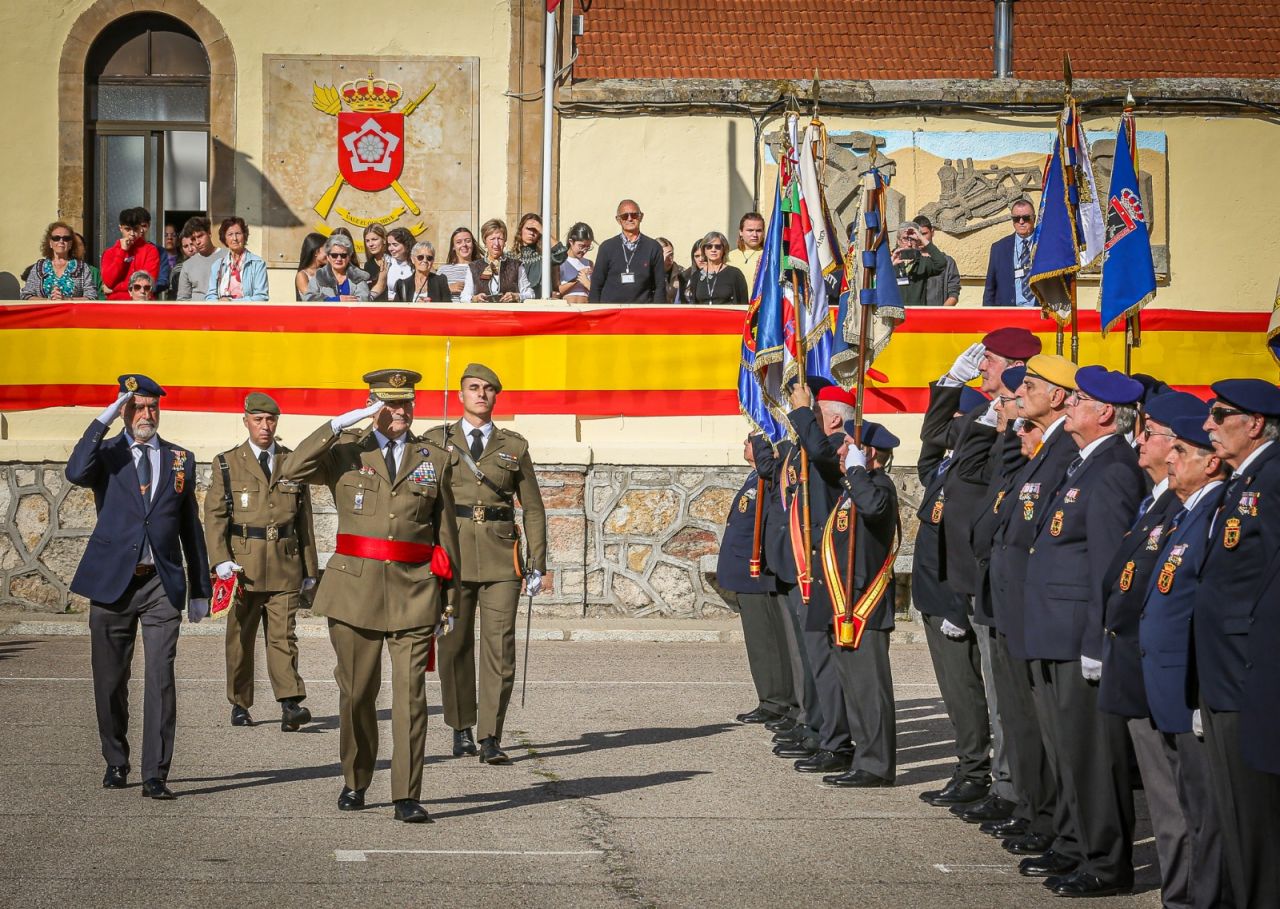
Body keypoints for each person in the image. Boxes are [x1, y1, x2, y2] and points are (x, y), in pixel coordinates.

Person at [275, 369, 459, 823]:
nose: (400, 412)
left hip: (415, 590)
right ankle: (356, 779)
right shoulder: (346, 452)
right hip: (354, 590)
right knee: (357, 693)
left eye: (407, 403)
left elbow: (446, 531)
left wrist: (449, 598)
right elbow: (289, 470)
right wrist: (339, 424)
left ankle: (406, 794)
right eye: (390, 404)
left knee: (411, 697)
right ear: (373, 405)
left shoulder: (433, 456)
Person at [1101, 396, 1229, 909]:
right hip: (1156, 676)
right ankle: (1181, 895)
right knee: (1175, 802)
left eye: (1181, 449)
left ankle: (1197, 897)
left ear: (1209, 460)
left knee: (1199, 808)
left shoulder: (1211, 512)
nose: (1170, 458)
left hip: (1185, 684)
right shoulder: (1176, 511)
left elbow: (1207, 605)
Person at [1023, 365, 1146, 898]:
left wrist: (1099, 642)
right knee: (1067, 752)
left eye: (1080, 399)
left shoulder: (1114, 467)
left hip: (1078, 637)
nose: (1068, 403)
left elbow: (1106, 566)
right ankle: (1075, 844)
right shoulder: (1083, 463)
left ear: (1104, 413)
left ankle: (1106, 862)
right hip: (1053, 631)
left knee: (1094, 758)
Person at [65, 374, 211, 800]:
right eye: (137, 407)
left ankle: (155, 773)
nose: (146, 414)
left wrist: (199, 587)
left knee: (161, 678)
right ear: (125, 411)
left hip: (160, 584)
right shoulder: (107, 455)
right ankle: (116, 759)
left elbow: (190, 526)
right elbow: (76, 472)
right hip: (113, 584)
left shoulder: (180, 458)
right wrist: (105, 416)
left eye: (152, 407)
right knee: (109, 681)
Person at [988, 353, 1080, 865]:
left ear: (1059, 396)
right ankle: (1037, 812)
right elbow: (1005, 501)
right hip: (1013, 603)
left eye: (1033, 385)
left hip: (1041, 609)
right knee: (1027, 721)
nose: (1020, 392)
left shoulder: (1068, 449)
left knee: (1054, 733)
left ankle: (1057, 824)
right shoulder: (1042, 445)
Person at [1191, 378, 1280, 905]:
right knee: (1234, 812)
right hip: (1227, 667)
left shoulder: (1271, 477)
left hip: (1252, 669)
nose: (1208, 425)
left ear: (1254, 423)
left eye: (1219, 415)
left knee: (1256, 817)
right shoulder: (1246, 479)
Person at [433, 364, 547, 764]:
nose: (481, 394)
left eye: (488, 389)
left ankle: (490, 736)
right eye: (473, 388)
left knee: (499, 649)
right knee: (453, 645)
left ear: (496, 397)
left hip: (502, 558)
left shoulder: (513, 447)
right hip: (454, 554)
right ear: (460, 394)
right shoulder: (435, 441)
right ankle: (461, 727)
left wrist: (537, 562)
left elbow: (532, 508)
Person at [203, 392, 317, 732]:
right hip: (244, 566)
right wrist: (220, 560)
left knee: (284, 637)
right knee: (240, 638)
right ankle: (239, 702)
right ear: (246, 422)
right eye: (258, 420)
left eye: (270, 420)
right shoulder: (227, 463)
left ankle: (290, 703)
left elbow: (304, 521)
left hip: (284, 563)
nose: (264, 426)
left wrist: (310, 570)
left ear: (276, 423)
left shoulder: (292, 461)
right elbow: (215, 516)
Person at [914, 385, 997, 809]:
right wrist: (948, 385)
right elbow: (929, 450)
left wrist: (956, 607)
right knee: (953, 690)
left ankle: (975, 770)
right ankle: (969, 766)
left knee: (965, 690)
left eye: (957, 423)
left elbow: (965, 544)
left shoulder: (975, 473)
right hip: (933, 595)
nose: (949, 430)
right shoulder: (947, 466)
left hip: (953, 600)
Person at [818, 420, 902, 788]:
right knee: (854, 688)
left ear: (869, 453)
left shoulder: (879, 487)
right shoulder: (853, 490)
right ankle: (864, 757)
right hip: (844, 604)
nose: (841, 450)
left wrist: (856, 469)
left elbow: (873, 509)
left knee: (870, 691)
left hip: (865, 605)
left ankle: (877, 766)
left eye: (849, 446)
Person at [717, 436, 796, 727]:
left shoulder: (770, 477)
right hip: (745, 574)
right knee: (759, 645)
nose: (744, 443)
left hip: (759, 575)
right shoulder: (755, 477)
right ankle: (770, 699)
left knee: (768, 644)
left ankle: (778, 702)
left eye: (752, 440)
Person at [588, 199, 666, 304]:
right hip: (612, 312)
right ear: (618, 219)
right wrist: (595, 316)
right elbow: (596, 285)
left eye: (634, 215)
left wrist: (657, 314)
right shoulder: (607, 247)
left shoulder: (653, 247)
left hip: (641, 312)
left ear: (641, 217)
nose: (630, 219)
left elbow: (660, 286)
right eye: (625, 216)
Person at [21, 221, 99, 300]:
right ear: (50, 243)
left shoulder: (83, 268)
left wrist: (66, 299)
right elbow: (26, 295)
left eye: (66, 238)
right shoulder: (38, 267)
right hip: (44, 311)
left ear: (71, 244)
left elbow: (92, 297)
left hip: (72, 312)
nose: (61, 241)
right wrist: (48, 301)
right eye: (56, 238)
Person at [983, 198, 1037, 308]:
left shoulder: (1046, 244)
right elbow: (990, 287)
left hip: (1039, 312)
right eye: (1016, 219)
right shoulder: (998, 248)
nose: (1021, 222)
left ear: (1034, 218)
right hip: (1008, 312)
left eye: (1025, 218)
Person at [101, 207, 161, 300]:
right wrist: (122, 252)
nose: (132, 233)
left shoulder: (151, 250)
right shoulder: (110, 252)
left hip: (142, 304)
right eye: (127, 229)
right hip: (116, 305)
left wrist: (114, 288)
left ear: (140, 228)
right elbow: (109, 281)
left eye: (135, 229)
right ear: (120, 228)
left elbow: (146, 284)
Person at [469, 219, 532, 302]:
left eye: (500, 239)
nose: (496, 244)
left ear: (505, 241)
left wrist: (517, 296)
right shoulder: (474, 267)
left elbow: (530, 294)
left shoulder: (516, 265)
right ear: (485, 242)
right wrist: (474, 298)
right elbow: (464, 296)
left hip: (509, 313)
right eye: (492, 239)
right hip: (483, 313)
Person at [206, 217, 269, 301]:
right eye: (230, 234)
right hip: (222, 312)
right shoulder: (217, 265)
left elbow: (261, 297)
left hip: (247, 312)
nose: (235, 238)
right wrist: (219, 303)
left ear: (244, 235)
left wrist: (231, 302)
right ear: (224, 238)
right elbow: (210, 296)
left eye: (238, 233)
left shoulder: (258, 263)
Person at [511, 213, 566, 298]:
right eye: (529, 229)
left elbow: (561, 254)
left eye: (536, 230)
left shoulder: (544, 256)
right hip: (516, 305)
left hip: (539, 305)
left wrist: (544, 231)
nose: (531, 233)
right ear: (521, 229)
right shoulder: (510, 256)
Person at [890, 222, 945, 307]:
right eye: (905, 239)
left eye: (913, 239)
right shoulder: (890, 261)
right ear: (898, 241)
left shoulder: (923, 262)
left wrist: (921, 237)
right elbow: (877, 284)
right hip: (895, 313)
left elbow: (941, 263)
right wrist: (890, 266)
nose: (909, 244)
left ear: (918, 242)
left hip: (916, 314)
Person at [304, 234, 371, 302]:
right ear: (328, 257)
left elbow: (364, 300)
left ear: (349, 257)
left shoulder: (358, 276)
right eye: (334, 255)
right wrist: (336, 300)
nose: (339, 259)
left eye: (343, 255)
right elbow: (308, 299)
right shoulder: (320, 275)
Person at [690, 231, 750, 305]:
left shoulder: (735, 274)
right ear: (704, 250)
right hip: (703, 316)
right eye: (709, 246)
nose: (713, 250)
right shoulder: (696, 276)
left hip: (728, 316)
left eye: (718, 247)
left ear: (724, 249)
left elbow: (743, 304)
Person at [913, 215, 960, 307]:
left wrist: (940, 314)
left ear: (932, 232)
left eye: (924, 234)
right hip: (913, 316)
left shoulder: (948, 262)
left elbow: (953, 293)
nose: (920, 239)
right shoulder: (908, 261)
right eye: (917, 235)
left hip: (938, 317)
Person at [176, 216, 224, 301]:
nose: (198, 242)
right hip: (195, 312)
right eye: (193, 239)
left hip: (224, 309)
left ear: (209, 233)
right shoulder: (188, 265)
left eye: (200, 236)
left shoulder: (228, 256)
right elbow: (182, 299)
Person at [726, 212, 765, 291]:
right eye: (750, 230)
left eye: (758, 231)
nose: (754, 234)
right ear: (741, 232)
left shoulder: (768, 256)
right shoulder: (728, 257)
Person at [557, 222, 594, 303]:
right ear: (571, 242)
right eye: (581, 246)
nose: (584, 250)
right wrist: (577, 279)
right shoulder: (561, 262)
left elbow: (595, 291)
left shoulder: (589, 263)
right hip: (568, 307)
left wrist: (587, 283)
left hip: (586, 307)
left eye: (588, 247)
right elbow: (556, 292)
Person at [440, 227, 479, 302]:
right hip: (449, 312)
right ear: (453, 247)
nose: (464, 244)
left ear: (473, 244)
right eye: (459, 242)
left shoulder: (481, 268)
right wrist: (448, 288)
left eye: (468, 241)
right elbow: (432, 293)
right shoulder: (443, 270)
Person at [383, 227, 416, 300]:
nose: (390, 248)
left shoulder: (417, 262)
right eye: (389, 245)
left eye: (395, 245)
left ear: (406, 245)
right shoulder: (387, 261)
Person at [294, 232, 328, 302]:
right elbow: (311, 298)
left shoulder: (327, 272)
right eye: (327, 249)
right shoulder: (302, 275)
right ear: (316, 252)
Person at [361, 224, 390, 301]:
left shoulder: (393, 261)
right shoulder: (368, 265)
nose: (370, 244)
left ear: (384, 240)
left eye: (374, 239)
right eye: (367, 241)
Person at [678, 239, 706, 305]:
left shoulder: (718, 274)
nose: (701, 259)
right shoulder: (684, 276)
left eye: (703, 255)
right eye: (697, 256)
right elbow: (679, 302)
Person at [169, 233, 195, 298]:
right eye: (185, 246)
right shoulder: (178, 270)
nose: (190, 249)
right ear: (181, 249)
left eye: (192, 244)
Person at [657, 237, 681, 304]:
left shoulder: (682, 273)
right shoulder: (650, 273)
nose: (670, 259)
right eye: (667, 255)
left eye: (671, 255)